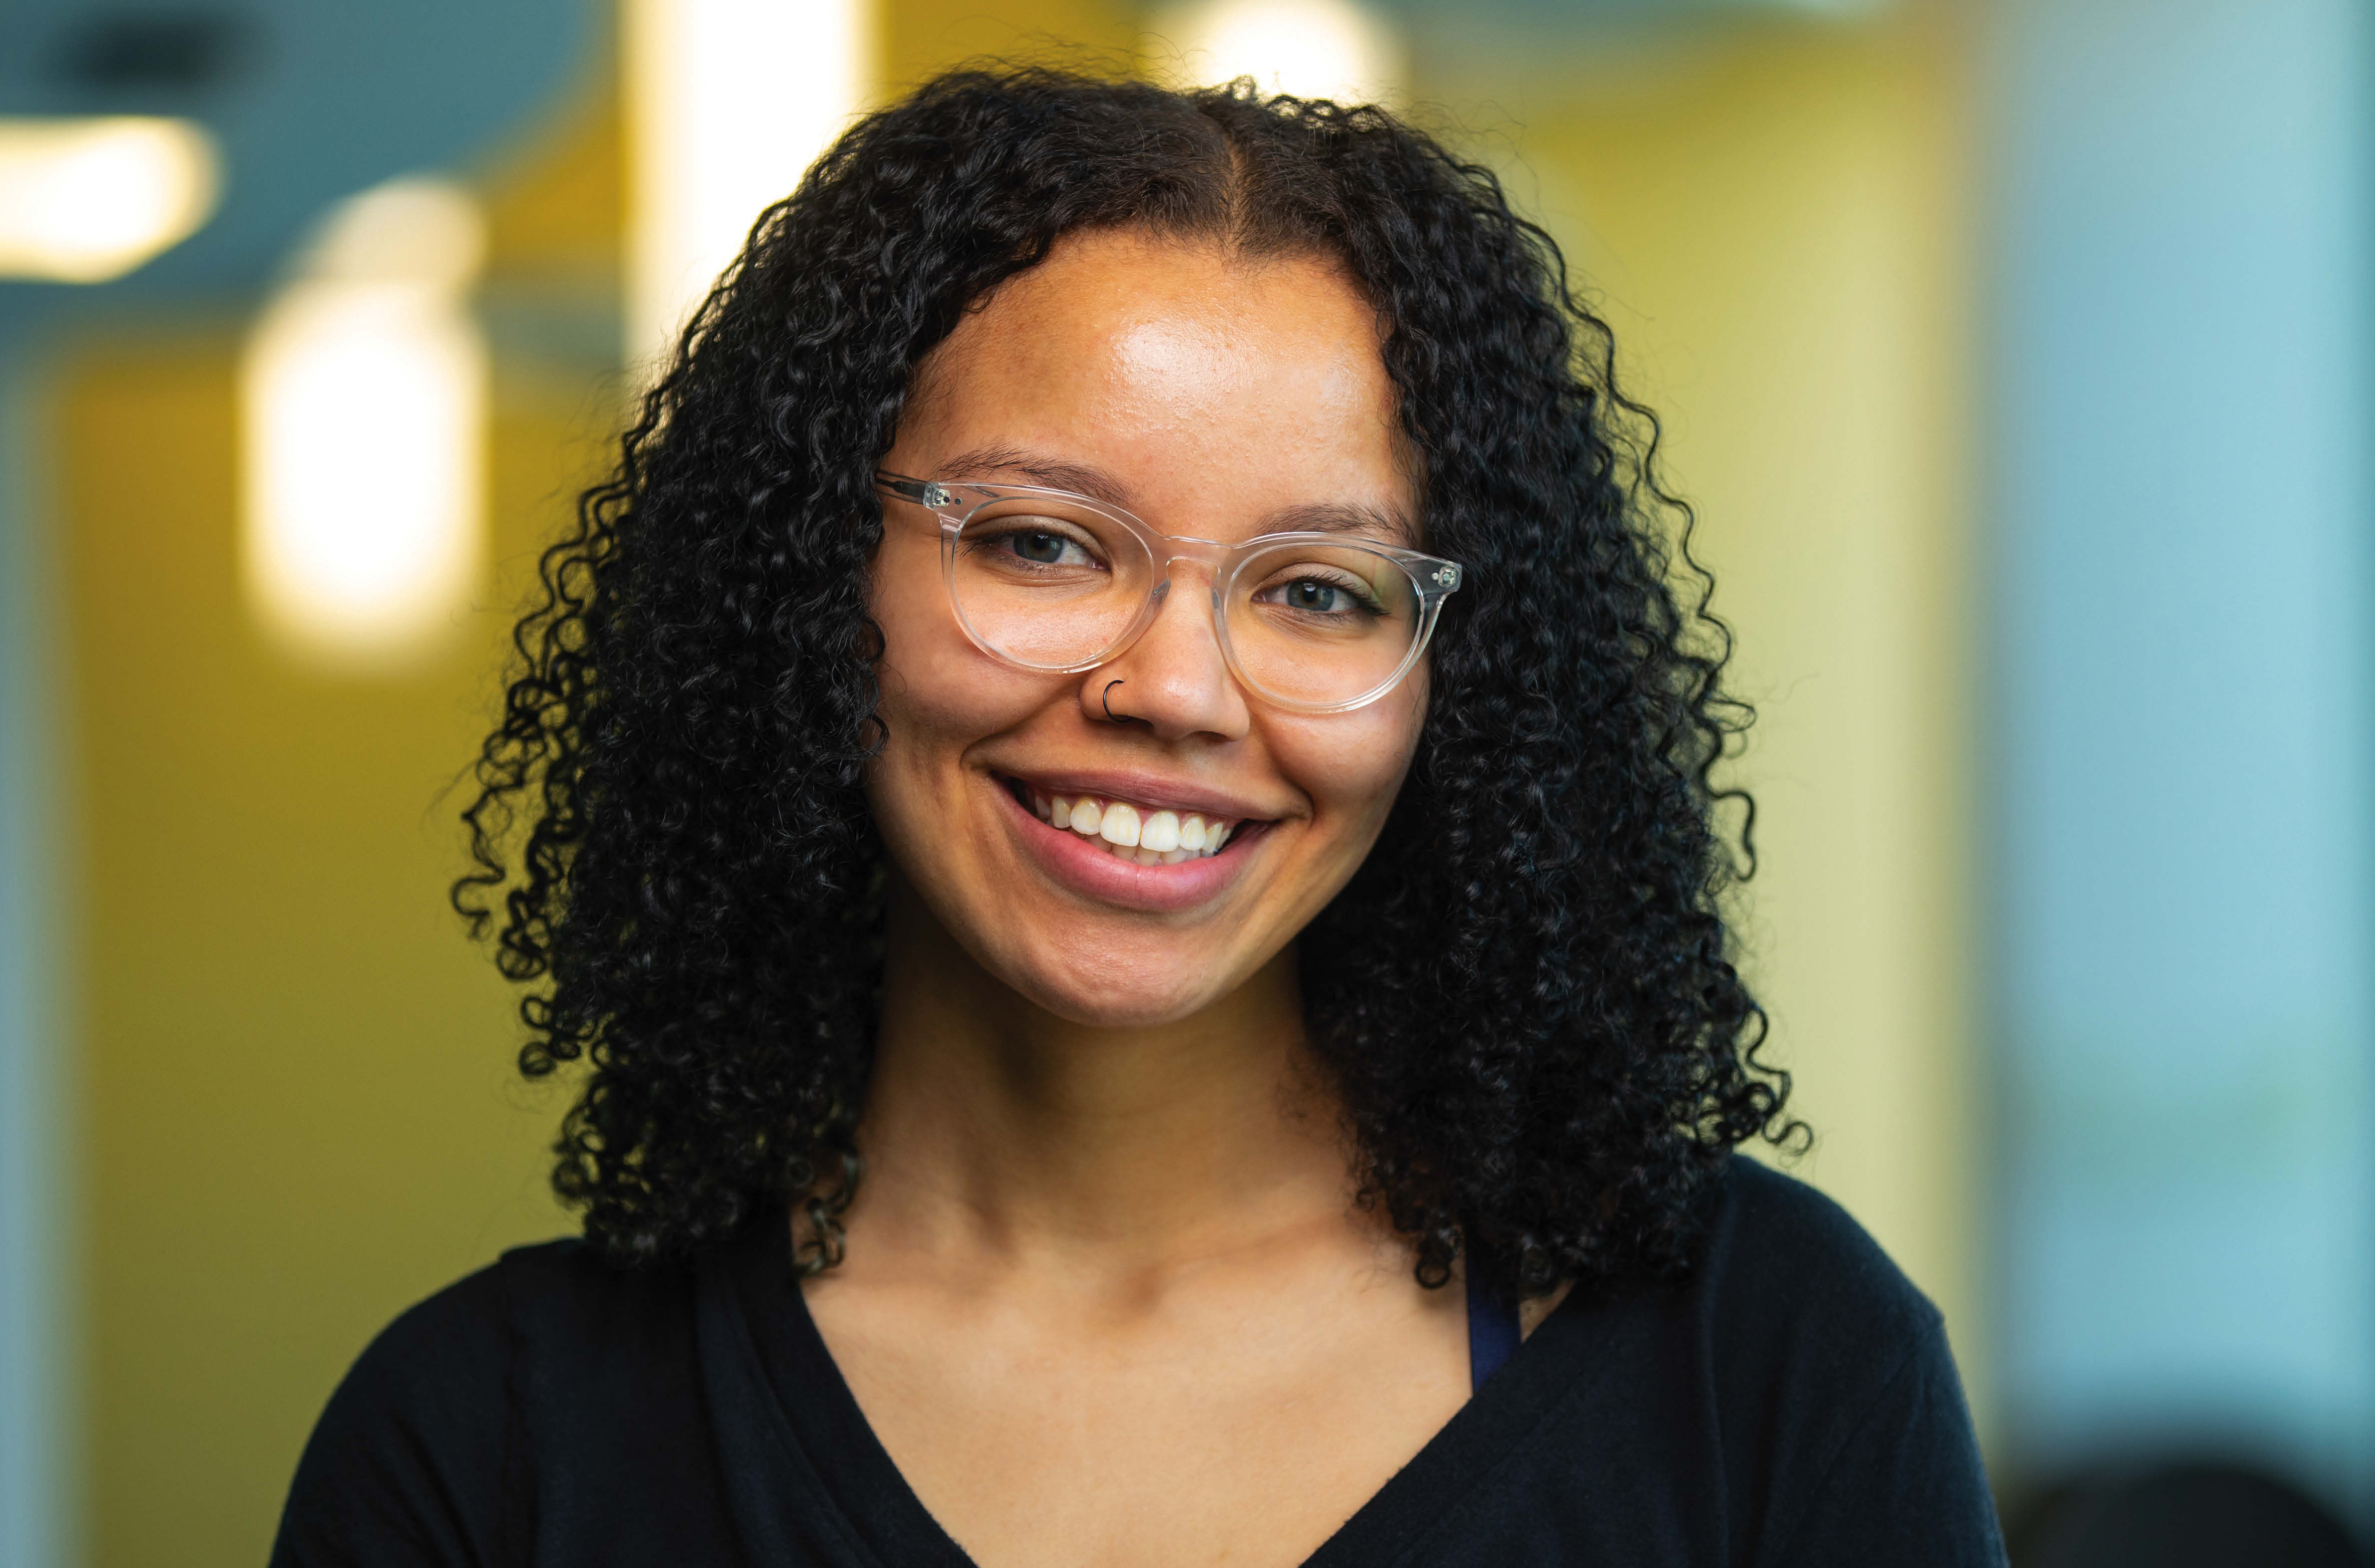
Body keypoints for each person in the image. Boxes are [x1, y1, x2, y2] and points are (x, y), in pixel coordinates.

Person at [272, 68, 2002, 1567]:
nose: (1178, 688)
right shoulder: (485, 1455)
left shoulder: (1763, 1363)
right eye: (1040, 542)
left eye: (1321, 590)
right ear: (810, 575)